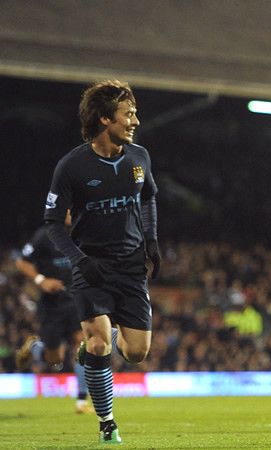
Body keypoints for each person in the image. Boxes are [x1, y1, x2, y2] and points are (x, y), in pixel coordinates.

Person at [43, 80, 160, 444]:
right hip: (91, 267)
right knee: (98, 346)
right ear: (105, 118)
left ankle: (103, 336)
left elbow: (148, 198)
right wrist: (79, 260)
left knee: (136, 353)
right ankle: (107, 423)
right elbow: (52, 222)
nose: (135, 121)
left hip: (130, 267)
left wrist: (152, 241)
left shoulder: (139, 158)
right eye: (129, 114)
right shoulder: (72, 166)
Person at [14, 212, 94, 414]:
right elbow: (22, 262)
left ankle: (82, 401)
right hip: (52, 305)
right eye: (67, 210)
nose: (71, 213)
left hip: (75, 300)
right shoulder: (44, 235)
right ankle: (34, 346)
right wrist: (41, 280)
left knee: (82, 345)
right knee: (54, 359)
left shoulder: (81, 234)